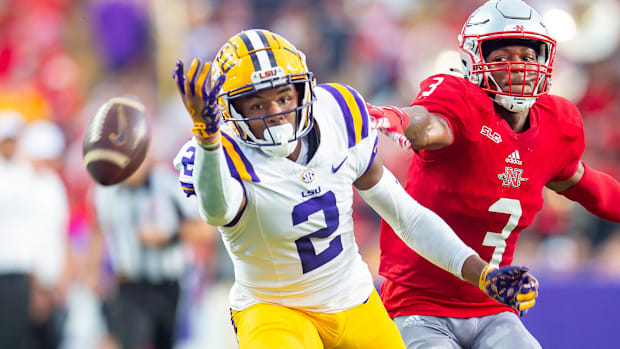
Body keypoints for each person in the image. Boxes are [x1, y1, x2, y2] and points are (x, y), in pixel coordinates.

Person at [171, 29, 539, 349]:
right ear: (231, 110)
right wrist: (207, 141)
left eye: (284, 98)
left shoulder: (338, 115)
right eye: (258, 103)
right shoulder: (220, 150)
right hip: (274, 309)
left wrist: (482, 273)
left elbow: (405, 215)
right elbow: (217, 212)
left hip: (352, 299)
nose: (276, 112)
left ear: (303, 91)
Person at [366, 0, 620, 348]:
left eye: (528, 56)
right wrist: (402, 119)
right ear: (474, 59)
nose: (518, 66)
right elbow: (430, 125)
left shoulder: (556, 124)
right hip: (417, 304)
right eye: (503, 56)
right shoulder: (459, 99)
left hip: (493, 305)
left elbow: (585, 184)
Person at [87, 146, 211, 349]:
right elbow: (99, 230)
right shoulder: (107, 191)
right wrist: (93, 273)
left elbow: (205, 229)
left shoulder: (169, 186)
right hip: (129, 287)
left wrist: (169, 237)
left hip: (168, 285)